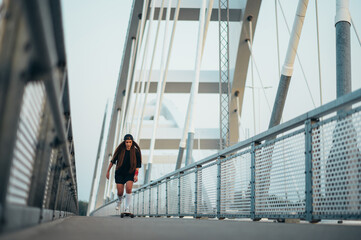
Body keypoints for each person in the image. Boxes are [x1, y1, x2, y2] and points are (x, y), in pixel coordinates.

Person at [106, 134, 142, 212]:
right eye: (126, 142)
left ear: (132, 142)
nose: (128, 144)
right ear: (124, 142)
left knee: (129, 189)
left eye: (129, 142)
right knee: (120, 192)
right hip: (120, 173)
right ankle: (119, 201)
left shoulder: (136, 152)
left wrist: (136, 175)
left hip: (130, 173)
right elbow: (112, 161)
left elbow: (138, 165)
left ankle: (127, 208)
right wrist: (108, 171)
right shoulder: (120, 150)